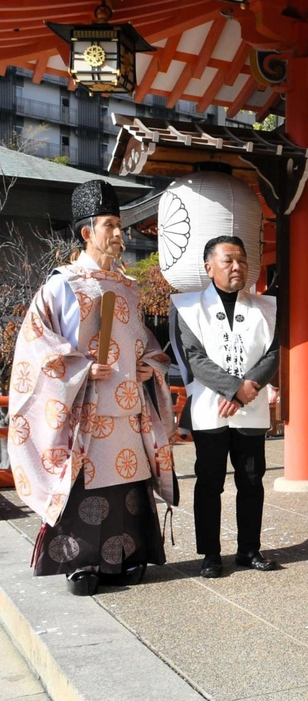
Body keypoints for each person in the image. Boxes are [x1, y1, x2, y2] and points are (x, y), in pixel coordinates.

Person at [8, 179, 177, 596]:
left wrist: (148, 366)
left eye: (119, 225)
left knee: (128, 487)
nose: (119, 234)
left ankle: (127, 556)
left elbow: (147, 344)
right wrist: (81, 368)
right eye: (109, 226)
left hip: (129, 408)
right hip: (85, 408)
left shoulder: (129, 287)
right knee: (84, 484)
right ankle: (80, 562)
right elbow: (35, 345)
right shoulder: (62, 284)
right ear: (87, 232)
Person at [170, 235, 279, 578]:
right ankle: (211, 554)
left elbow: (272, 354)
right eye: (228, 260)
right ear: (209, 267)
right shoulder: (189, 307)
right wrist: (235, 389)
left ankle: (249, 549)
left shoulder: (266, 308)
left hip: (251, 407)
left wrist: (248, 388)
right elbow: (194, 357)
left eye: (242, 260)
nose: (237, 267)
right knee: (209, 481)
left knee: (252, 479)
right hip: (210, 407)